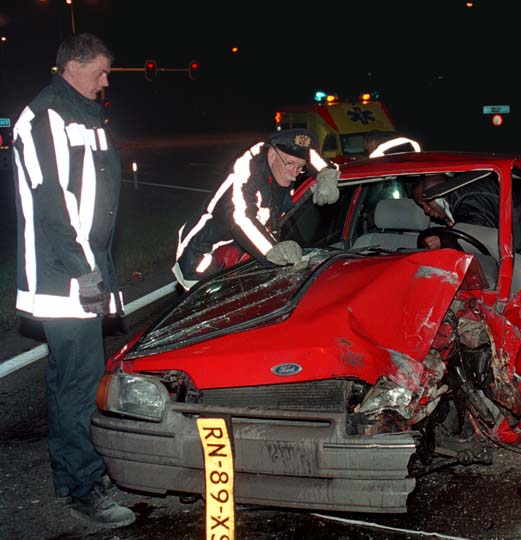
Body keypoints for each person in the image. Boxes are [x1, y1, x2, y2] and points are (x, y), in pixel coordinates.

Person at [11, 33, 136, 528]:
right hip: (63, 277)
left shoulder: (85, 114)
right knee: (82, 383)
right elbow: (52, 202)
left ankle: (71, 476)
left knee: (69, 381)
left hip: (84, 270)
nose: (106, 82)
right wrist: (85, 270)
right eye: (101, 71)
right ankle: (86, 487)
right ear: (73, 66)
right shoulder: (45, 116)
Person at [413, 174, 521, 332]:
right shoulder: (465, 191)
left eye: (426, 204)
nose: (426, 211)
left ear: (437, 193)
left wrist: (443, 241)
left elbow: (480, 238)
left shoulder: (467, 199)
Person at [172, 128, 340, 290]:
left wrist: (327, 174)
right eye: (290, 165)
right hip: (203, 252)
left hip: (242, 251)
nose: (294, 173)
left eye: (300, 166)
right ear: (272, 155)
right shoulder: (246, 173)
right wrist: (272, 251)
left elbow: (309, 156)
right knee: (207, 307)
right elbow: (242, 218)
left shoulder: (285, 157)